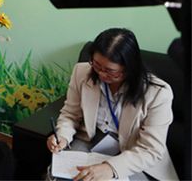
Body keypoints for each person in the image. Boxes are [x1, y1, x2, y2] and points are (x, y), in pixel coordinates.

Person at [47, 28, 178, 181]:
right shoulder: (81, 72)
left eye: (110, 71)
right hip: (91, 140)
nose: (101, 74)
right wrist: (62, 136)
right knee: (59, 176)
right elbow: (70, 114)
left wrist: (110, 168)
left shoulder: (158, 93)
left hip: (134, 153)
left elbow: (150, 150)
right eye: (96, 65)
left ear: (129, 67)